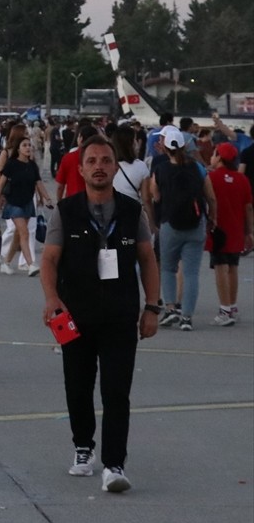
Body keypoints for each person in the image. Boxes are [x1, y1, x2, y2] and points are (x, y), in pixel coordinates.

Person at [39, 135, 161, 493]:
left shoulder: (131, 210)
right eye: (91, 161)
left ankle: (114, 464)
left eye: (105, 160)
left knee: (116, 391)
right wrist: (51, 298)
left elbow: (148, 260)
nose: (99, 167)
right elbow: (49, 259)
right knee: (77, 387)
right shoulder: (66, 210)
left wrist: (152, 307)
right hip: (74, 315)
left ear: (115, 166)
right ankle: (82, 448)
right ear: (81, 168)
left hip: (120, 316)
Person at [151, 125, 216, 332]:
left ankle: (170, 309)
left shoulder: (161, 168)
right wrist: (212, 217)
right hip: (196, 224)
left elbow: (156, 196)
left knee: (168, 268)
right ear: (185, 145)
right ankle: (187, 316)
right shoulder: (197, 167)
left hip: (170, 224)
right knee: (191, 273)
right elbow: (211, 197)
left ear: (166, 147)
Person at [204, 143, 251, 327]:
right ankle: (232, 306)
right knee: (233, 267)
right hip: (237, 229)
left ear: (219, 157)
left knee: (220, 267)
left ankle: (224, 309)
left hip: (218, 230)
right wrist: (250, 231)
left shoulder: (211, 178)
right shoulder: (242, 179)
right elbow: (248, 207)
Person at [0, 136, 53, 276]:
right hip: (13, 203)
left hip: (27, 203)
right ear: (18, 149)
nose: (28, 147)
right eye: (24, 145)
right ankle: (31, 264)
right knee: (24, 232)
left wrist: (47, 198)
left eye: (29, 145)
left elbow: (38, 183)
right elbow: (1, 184)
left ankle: (6, 262)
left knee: (19, 235)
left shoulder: (32, 165)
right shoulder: (11, 164)